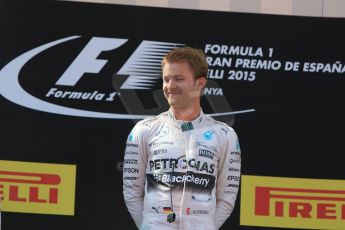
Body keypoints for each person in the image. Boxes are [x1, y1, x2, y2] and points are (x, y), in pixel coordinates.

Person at [123, 47, 241, 230]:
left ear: (200, 83)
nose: (170, 86)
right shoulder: (143, 130)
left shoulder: (225, 135)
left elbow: (226, 198)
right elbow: (131, 192)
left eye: (178, 79)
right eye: (166, 79)